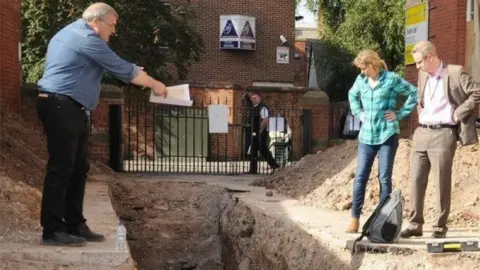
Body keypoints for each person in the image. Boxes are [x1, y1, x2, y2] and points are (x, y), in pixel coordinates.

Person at [36, 2, 168, 247]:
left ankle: (74, 224)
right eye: (112, 26)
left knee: (78, 168)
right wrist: (155, 84)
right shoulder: (86, 38)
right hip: (61, 106)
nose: (113, 31)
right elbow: (122, 69)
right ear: (96, 22)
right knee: (61, 168)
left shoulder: (74, 34)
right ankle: (52, 230)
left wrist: (132, 71)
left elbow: (111, 67)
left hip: (70, 107)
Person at [400, 41, 480, 239]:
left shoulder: (455, 72)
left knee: (441, 182)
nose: (417, 67)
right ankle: (415, 224)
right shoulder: (422, 75)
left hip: (444, 133)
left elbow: (476, 92)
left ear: (429, 57)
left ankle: (439, 227)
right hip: (422, 133)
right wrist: (420, 107)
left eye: (419, 62)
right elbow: (422, 96)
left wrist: (458, 114)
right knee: (416, 180)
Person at [346, 49, 418, 233]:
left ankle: (382, 220)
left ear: (373, 65)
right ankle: (354, 218)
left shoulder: (391, 79)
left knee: (384, 177)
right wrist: (359, 113)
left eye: (364, 68)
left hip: (387, 134)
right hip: (367, 136)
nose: (362, 72)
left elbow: (413, 93)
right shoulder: (361, 81)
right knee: (361, 176)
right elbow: (352, 95)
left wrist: (399, 114)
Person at [247, 93, 279, 173]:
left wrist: (260, 130)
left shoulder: (263, 107)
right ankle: (253, 169)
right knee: (253, 150)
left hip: (261, 132)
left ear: (259, 98)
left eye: (255, 98)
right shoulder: (252, 108)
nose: (253, 100)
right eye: (252, 98)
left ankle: (275, 165)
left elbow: (265, 120)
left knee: (262, 149)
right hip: (253, 131)